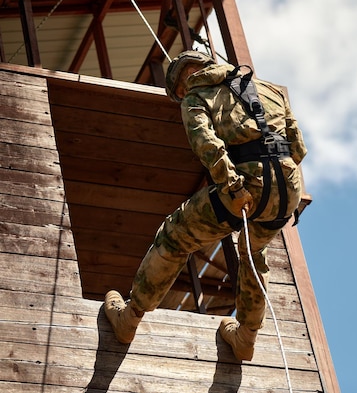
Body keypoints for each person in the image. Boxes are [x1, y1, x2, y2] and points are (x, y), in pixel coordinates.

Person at [104, 50, 307, 361]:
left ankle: (129, 319)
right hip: (288, 189)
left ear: (181, 85)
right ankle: (246, 338)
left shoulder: (196, 97)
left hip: (243, 187)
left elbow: (207, 145)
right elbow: (298, 146)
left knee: (175, 236)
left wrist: (233, 185)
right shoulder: (267, 88)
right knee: (255, 255)